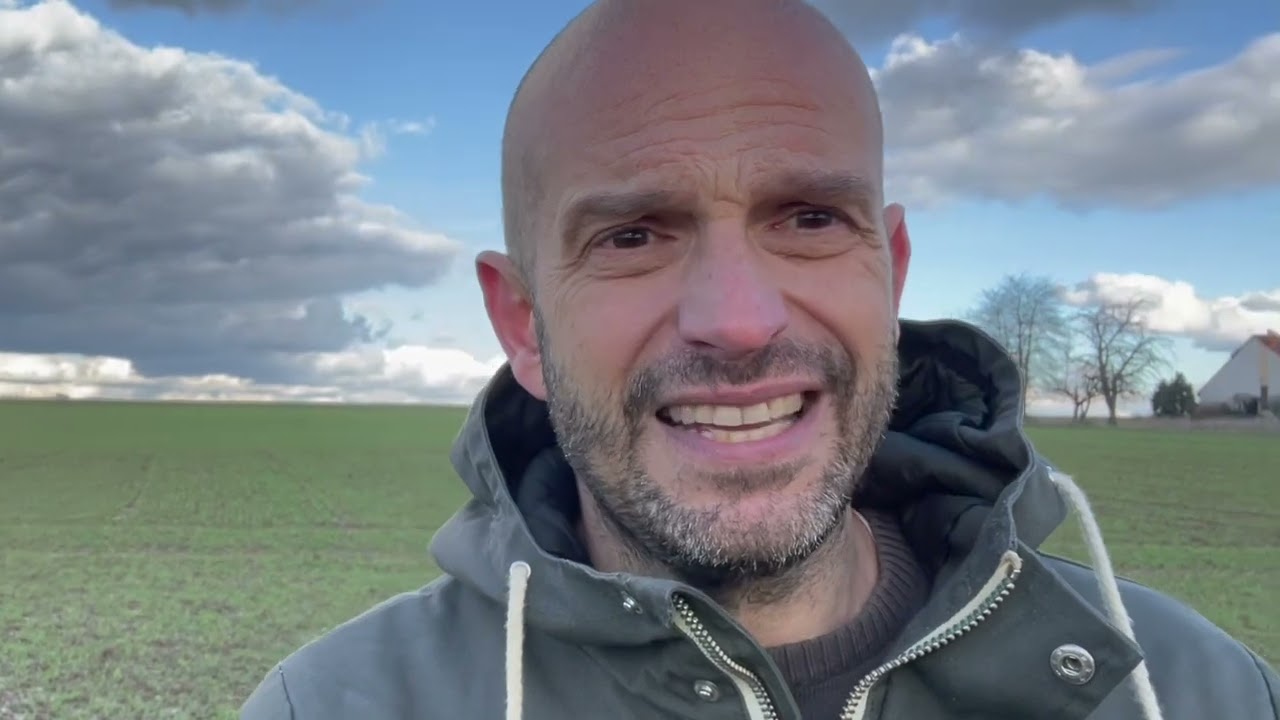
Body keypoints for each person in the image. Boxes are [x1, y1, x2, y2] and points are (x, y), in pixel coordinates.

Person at [241, 1, 1280, 718]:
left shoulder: (1190, 690)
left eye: (810, 219)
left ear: (890, 274)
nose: (737, 322)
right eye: (632, 236)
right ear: (523, 324)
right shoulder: (329, 707)